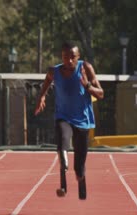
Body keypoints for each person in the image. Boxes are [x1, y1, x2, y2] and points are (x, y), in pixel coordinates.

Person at [34, 41, 104, 200]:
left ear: (78, 57)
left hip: (83, 121)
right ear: (62, 57)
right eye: (66, 57)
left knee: (79, 167)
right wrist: (41, 96)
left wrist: (87, 85)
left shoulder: (85, 68)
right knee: (62, 134)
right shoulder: (54, 71)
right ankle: (63, 156)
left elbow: (101, 94)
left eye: (73, 57)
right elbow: (46, 83)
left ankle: (80, 177)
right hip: (63, 116)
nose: (69, 61)